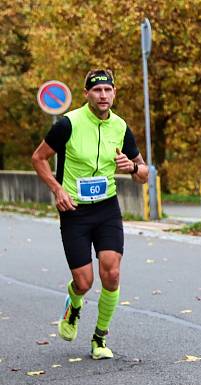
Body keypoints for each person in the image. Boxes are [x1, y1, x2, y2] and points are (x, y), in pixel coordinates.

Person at [31, 69, 148, 360]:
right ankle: (74, 305)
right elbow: (39, 158)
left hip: (107, 208)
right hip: (74, 211)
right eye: (97, 91)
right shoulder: (68, 124)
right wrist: (57, 189)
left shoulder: (120, 127)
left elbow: (144, 173)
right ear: (87, 95)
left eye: (108, 90)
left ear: (114, 93)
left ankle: (99, 337)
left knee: (112, 272)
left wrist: (132, 168)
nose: (104, 96)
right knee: (84, 282)